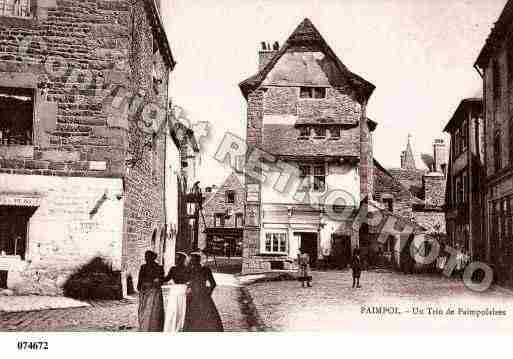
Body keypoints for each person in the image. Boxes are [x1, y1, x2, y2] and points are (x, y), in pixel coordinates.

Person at [183, 253, 223, 332]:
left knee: (195, 314)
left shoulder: (191, 270)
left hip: (194, 294)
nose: (191, 262)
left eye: (191, 260)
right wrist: (208, 293)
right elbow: (213, 284)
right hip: (201, 294)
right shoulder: (204, 269)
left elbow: (213, 284)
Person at [137, 250, 164, 331]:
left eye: (148, 256)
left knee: (153, 309)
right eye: (145, 256)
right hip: (145, 291)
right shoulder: (143, 267)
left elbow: (161, 280)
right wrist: (140, 286)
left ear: (153, 258)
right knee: (144, 308)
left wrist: (158, 281)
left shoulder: (159, 267)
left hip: (154, 291)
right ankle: (144, 326)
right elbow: (140, 278)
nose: (146, 258)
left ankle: (153, 326)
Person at [162, 252, 189, 332]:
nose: (177, 260)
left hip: (176, 290)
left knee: (174, 309)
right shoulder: (187, 269)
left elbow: (166, 279)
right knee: (180, 309)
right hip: (182, 289)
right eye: (177, 259)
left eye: (178, 259)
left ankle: (174, 327)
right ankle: (179, 326)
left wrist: (159, 276)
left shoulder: (174, 269)